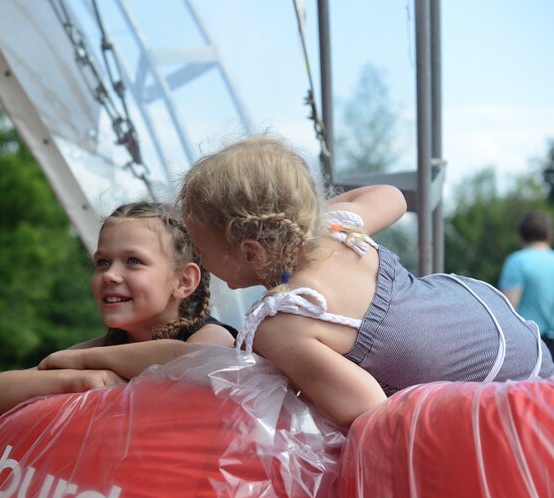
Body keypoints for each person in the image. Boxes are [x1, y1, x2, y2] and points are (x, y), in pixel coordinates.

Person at [174, 135, 553, 426]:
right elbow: (393, 197)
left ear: (251, 252)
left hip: (493, 401)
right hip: (517, 342)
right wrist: (311, 220)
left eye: (201, 248)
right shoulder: (338, 232)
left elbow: (367, 410)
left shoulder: (282, 322)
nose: (199, 259)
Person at [0, 201, 237, 418]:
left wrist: (80, 361)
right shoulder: (99, 354)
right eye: (102, 262)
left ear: (184, 281)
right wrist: (72, 381)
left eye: (133, 261)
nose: (110, 275)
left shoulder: (209, 337)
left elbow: (197, 360)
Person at [499, 211, 554, 357]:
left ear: (521, 237)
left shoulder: (516, 262)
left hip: (532, 345)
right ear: (548, 235)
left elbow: (509, 308)